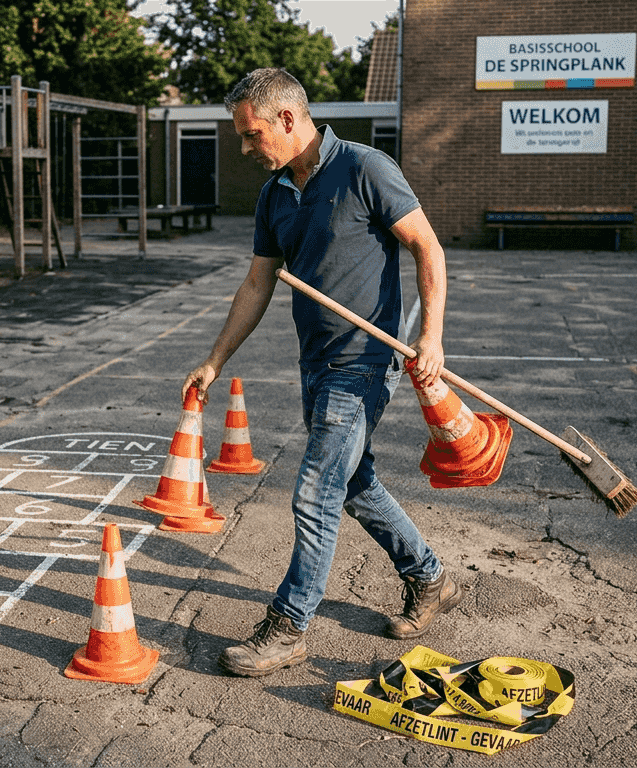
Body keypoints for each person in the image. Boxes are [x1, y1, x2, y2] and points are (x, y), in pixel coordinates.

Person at [181, 68, 463, 678]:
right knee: (353, 484)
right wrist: (215, 360)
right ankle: (429, 576)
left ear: (287, 118)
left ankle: (288, 626)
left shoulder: (366, 169)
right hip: (315, 362)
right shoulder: (275, 194)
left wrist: (431, 335)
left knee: (315, 489)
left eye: (252, 134)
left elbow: (427, 248)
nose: (246, 148)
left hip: (363, 364)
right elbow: (258, 281)